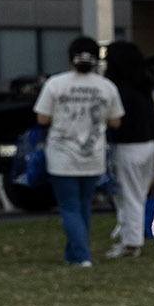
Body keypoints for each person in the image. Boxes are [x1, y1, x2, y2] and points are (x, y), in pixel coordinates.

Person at [33, 36, 122, 267]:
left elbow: (42, 117)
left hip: (61, 156)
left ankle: (82, 256)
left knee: (70, 207)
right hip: (93, 155)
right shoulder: (106, 86)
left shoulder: (55, 83)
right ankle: (72, 255)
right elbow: (115, 122)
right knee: (83, 206)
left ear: (70, 58)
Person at [102, 40, 154, 258]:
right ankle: (130, 240)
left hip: (127, 148)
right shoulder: (142, 86)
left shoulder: (116, 88)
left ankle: (131, 244)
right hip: (147, 145)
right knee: (138, 195)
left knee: (128, 197)